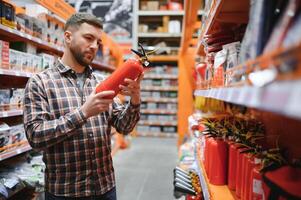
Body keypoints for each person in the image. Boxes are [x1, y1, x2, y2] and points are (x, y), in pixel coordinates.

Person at [23, 13, 142, 200]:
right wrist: (83, 113)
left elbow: (124, 127)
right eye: (88, 38)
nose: (94, 46)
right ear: (68, 37)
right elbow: (36, 137)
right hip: (65, 193)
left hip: (105, 188)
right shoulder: (40, 83)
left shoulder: (103, 82)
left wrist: (134, 99)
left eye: (98, 42)